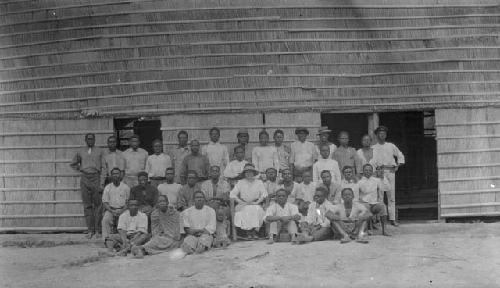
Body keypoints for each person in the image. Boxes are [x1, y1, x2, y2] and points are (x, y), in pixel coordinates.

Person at [70, 133, 105, 239]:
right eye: (88, 139)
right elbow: (73, 163)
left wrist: (101, 183)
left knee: (98, 206)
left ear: (94, 140)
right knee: (87, 205)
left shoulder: (100, 151)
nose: (90, 141)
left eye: (92, 139)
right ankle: (90, 230)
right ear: (85, 140)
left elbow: (103, 167)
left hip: (96, 177)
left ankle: (98, 230)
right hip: (85, 178)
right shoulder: (81, 151)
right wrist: (80, 169)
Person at [371, 125, 405, 226]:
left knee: (391, 196)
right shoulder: (373, 148)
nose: (382, 135)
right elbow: (371, 162)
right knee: (380, 196)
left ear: (386, 135)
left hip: (390, 171)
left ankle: (392, 218)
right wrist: (375, 171)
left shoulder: (391, 146)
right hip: (380, 172)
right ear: (377, 135)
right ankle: (381, 219)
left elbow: (400, 155)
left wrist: (398, 165)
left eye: (384, 134)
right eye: (380, 134)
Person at [230, 164, 267, 240]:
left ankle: (254, 231)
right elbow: (232, 194)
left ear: (254, 173)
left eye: (251, 172)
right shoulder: (240, 182)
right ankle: (248, 232)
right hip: (243, 204)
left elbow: (264, 194)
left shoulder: (259, 182)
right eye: (247, 172)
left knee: (256, 209)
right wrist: (241, 202)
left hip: (255, 203)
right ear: (244, 174)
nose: (249, 174)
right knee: (246, 210)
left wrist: (257, 202)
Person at [358, 164, 390, 236]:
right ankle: (368, 229)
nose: (368, 172)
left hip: (375, 204)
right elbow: (360, 193)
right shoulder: (360, 182)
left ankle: (384, 230)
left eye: (370, 170)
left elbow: (387, 188)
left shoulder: (376, 180)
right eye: (366, 170)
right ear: (363, 171)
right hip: (365, 203)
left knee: (383, 206)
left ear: (372, 171)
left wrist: (382, 177)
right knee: (366, 207)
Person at [101, 167, 130, 240]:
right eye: (113, 174)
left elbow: (128, 202)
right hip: (111, 210)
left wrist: (121, 211)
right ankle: (106, 240)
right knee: (105, 220)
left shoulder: (125, 187)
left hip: (123, 209)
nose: (115, 175)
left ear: (120, 175)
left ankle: (125, 240)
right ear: (111, 176)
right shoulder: (108, 187)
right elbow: (105, 203)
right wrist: (112, 211)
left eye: (117, 174)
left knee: (127, 218)